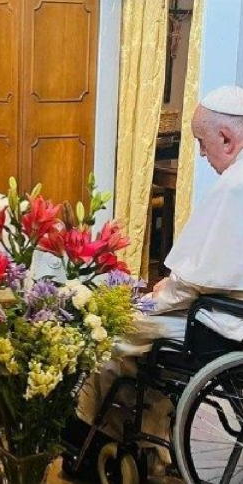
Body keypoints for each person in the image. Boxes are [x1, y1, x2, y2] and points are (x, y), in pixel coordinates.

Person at [68, 85, 243, 477]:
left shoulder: (235, 187)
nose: (202, 155)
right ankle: (149, 440)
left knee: (113, 334)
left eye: (202, 143)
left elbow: (198, 280)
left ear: (227, 139)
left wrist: (154, 299)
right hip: (230, 315)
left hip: (222, 324)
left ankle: (96, 436)